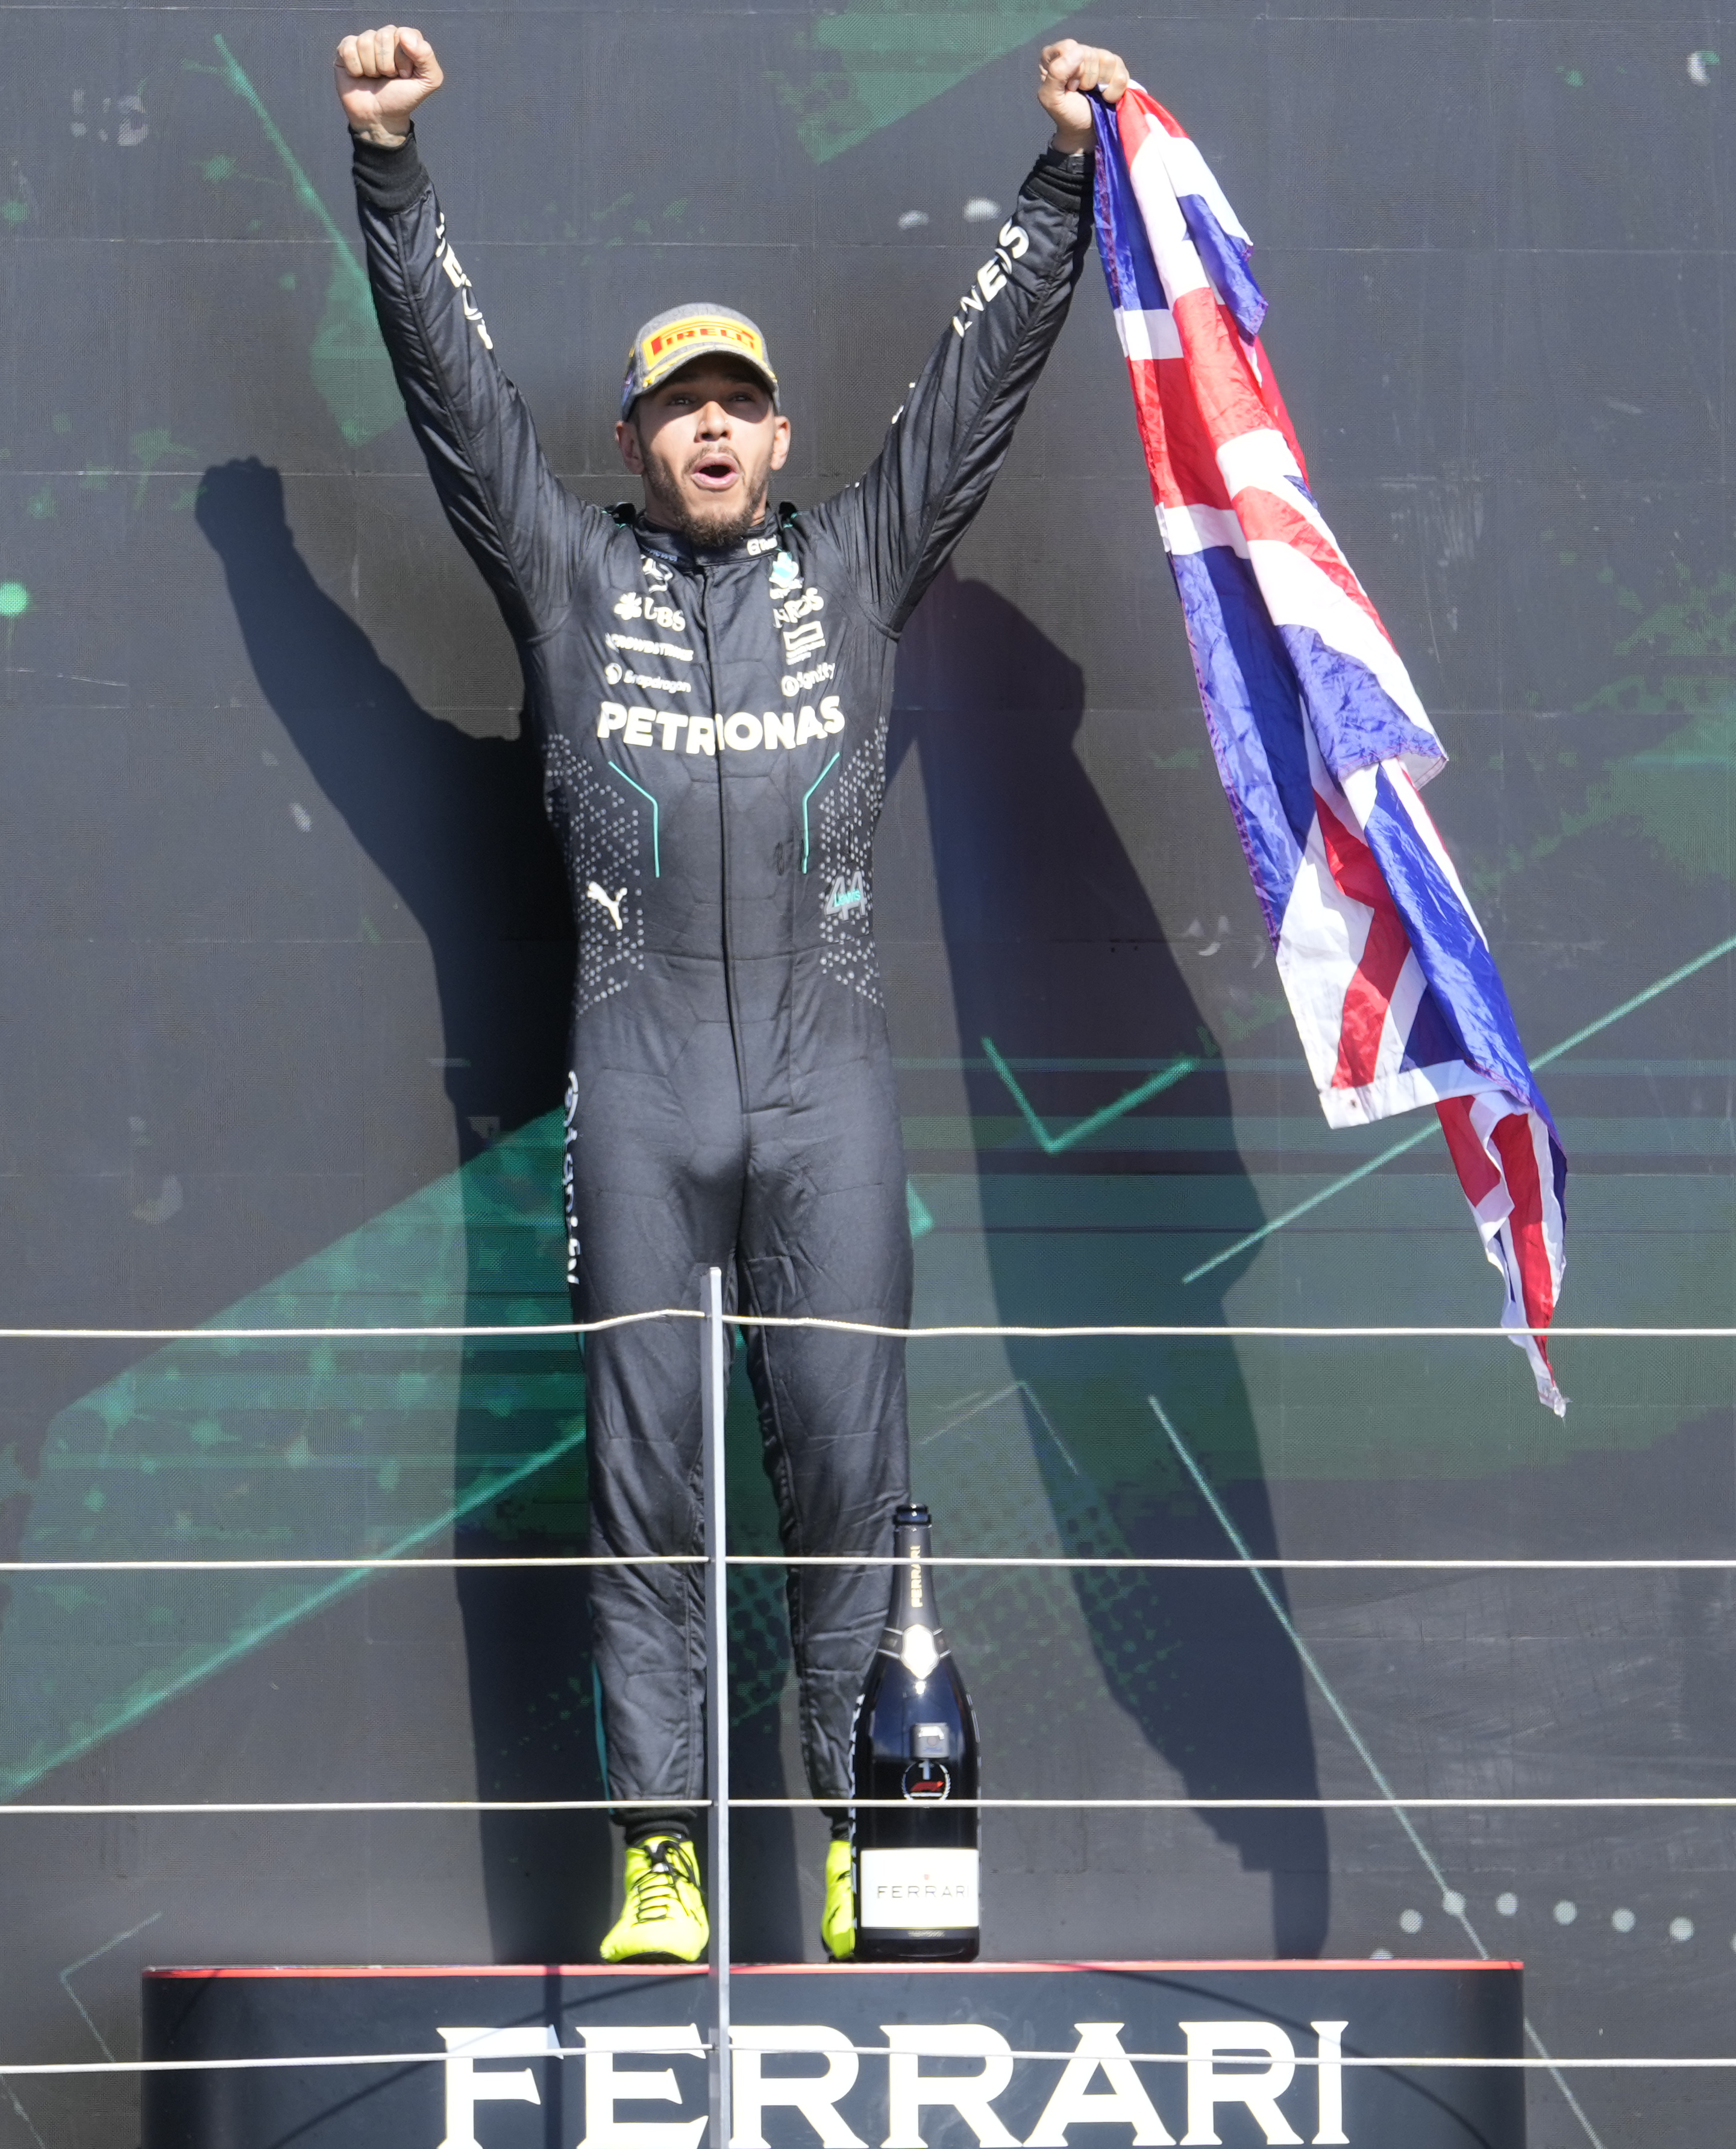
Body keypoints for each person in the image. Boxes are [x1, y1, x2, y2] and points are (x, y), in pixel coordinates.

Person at [334, 23, 1126, 1962]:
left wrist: (1063, 181)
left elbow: (976, 393)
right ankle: (667, 1863)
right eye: (677, 404)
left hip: (829, 1099)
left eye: (738, 403)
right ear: (633, 443)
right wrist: (385, 172)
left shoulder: (854, 565)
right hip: (645, 1089)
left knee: (854, 1482)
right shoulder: (569, 578)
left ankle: (875, 1856)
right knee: (643, 1491)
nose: (708, 427)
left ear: (778, 439)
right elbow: (455, 405)